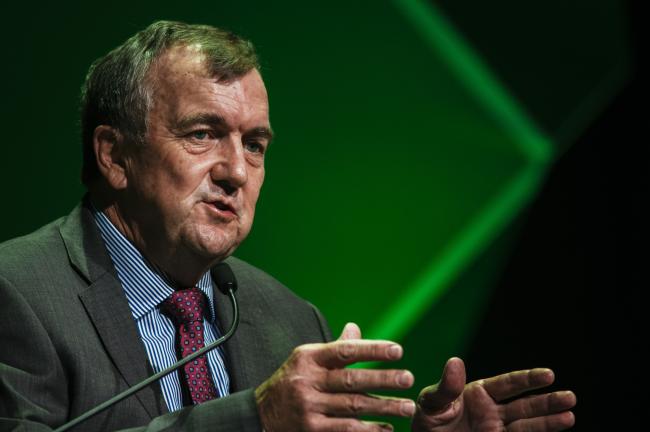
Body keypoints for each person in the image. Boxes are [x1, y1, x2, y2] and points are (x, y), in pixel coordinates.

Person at [0, 21, 576, 431]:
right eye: (202, 134)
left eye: (254, 145)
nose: (235, 171)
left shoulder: (290, 321)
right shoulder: (19, 291)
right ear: (114, 156)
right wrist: (251, 420)